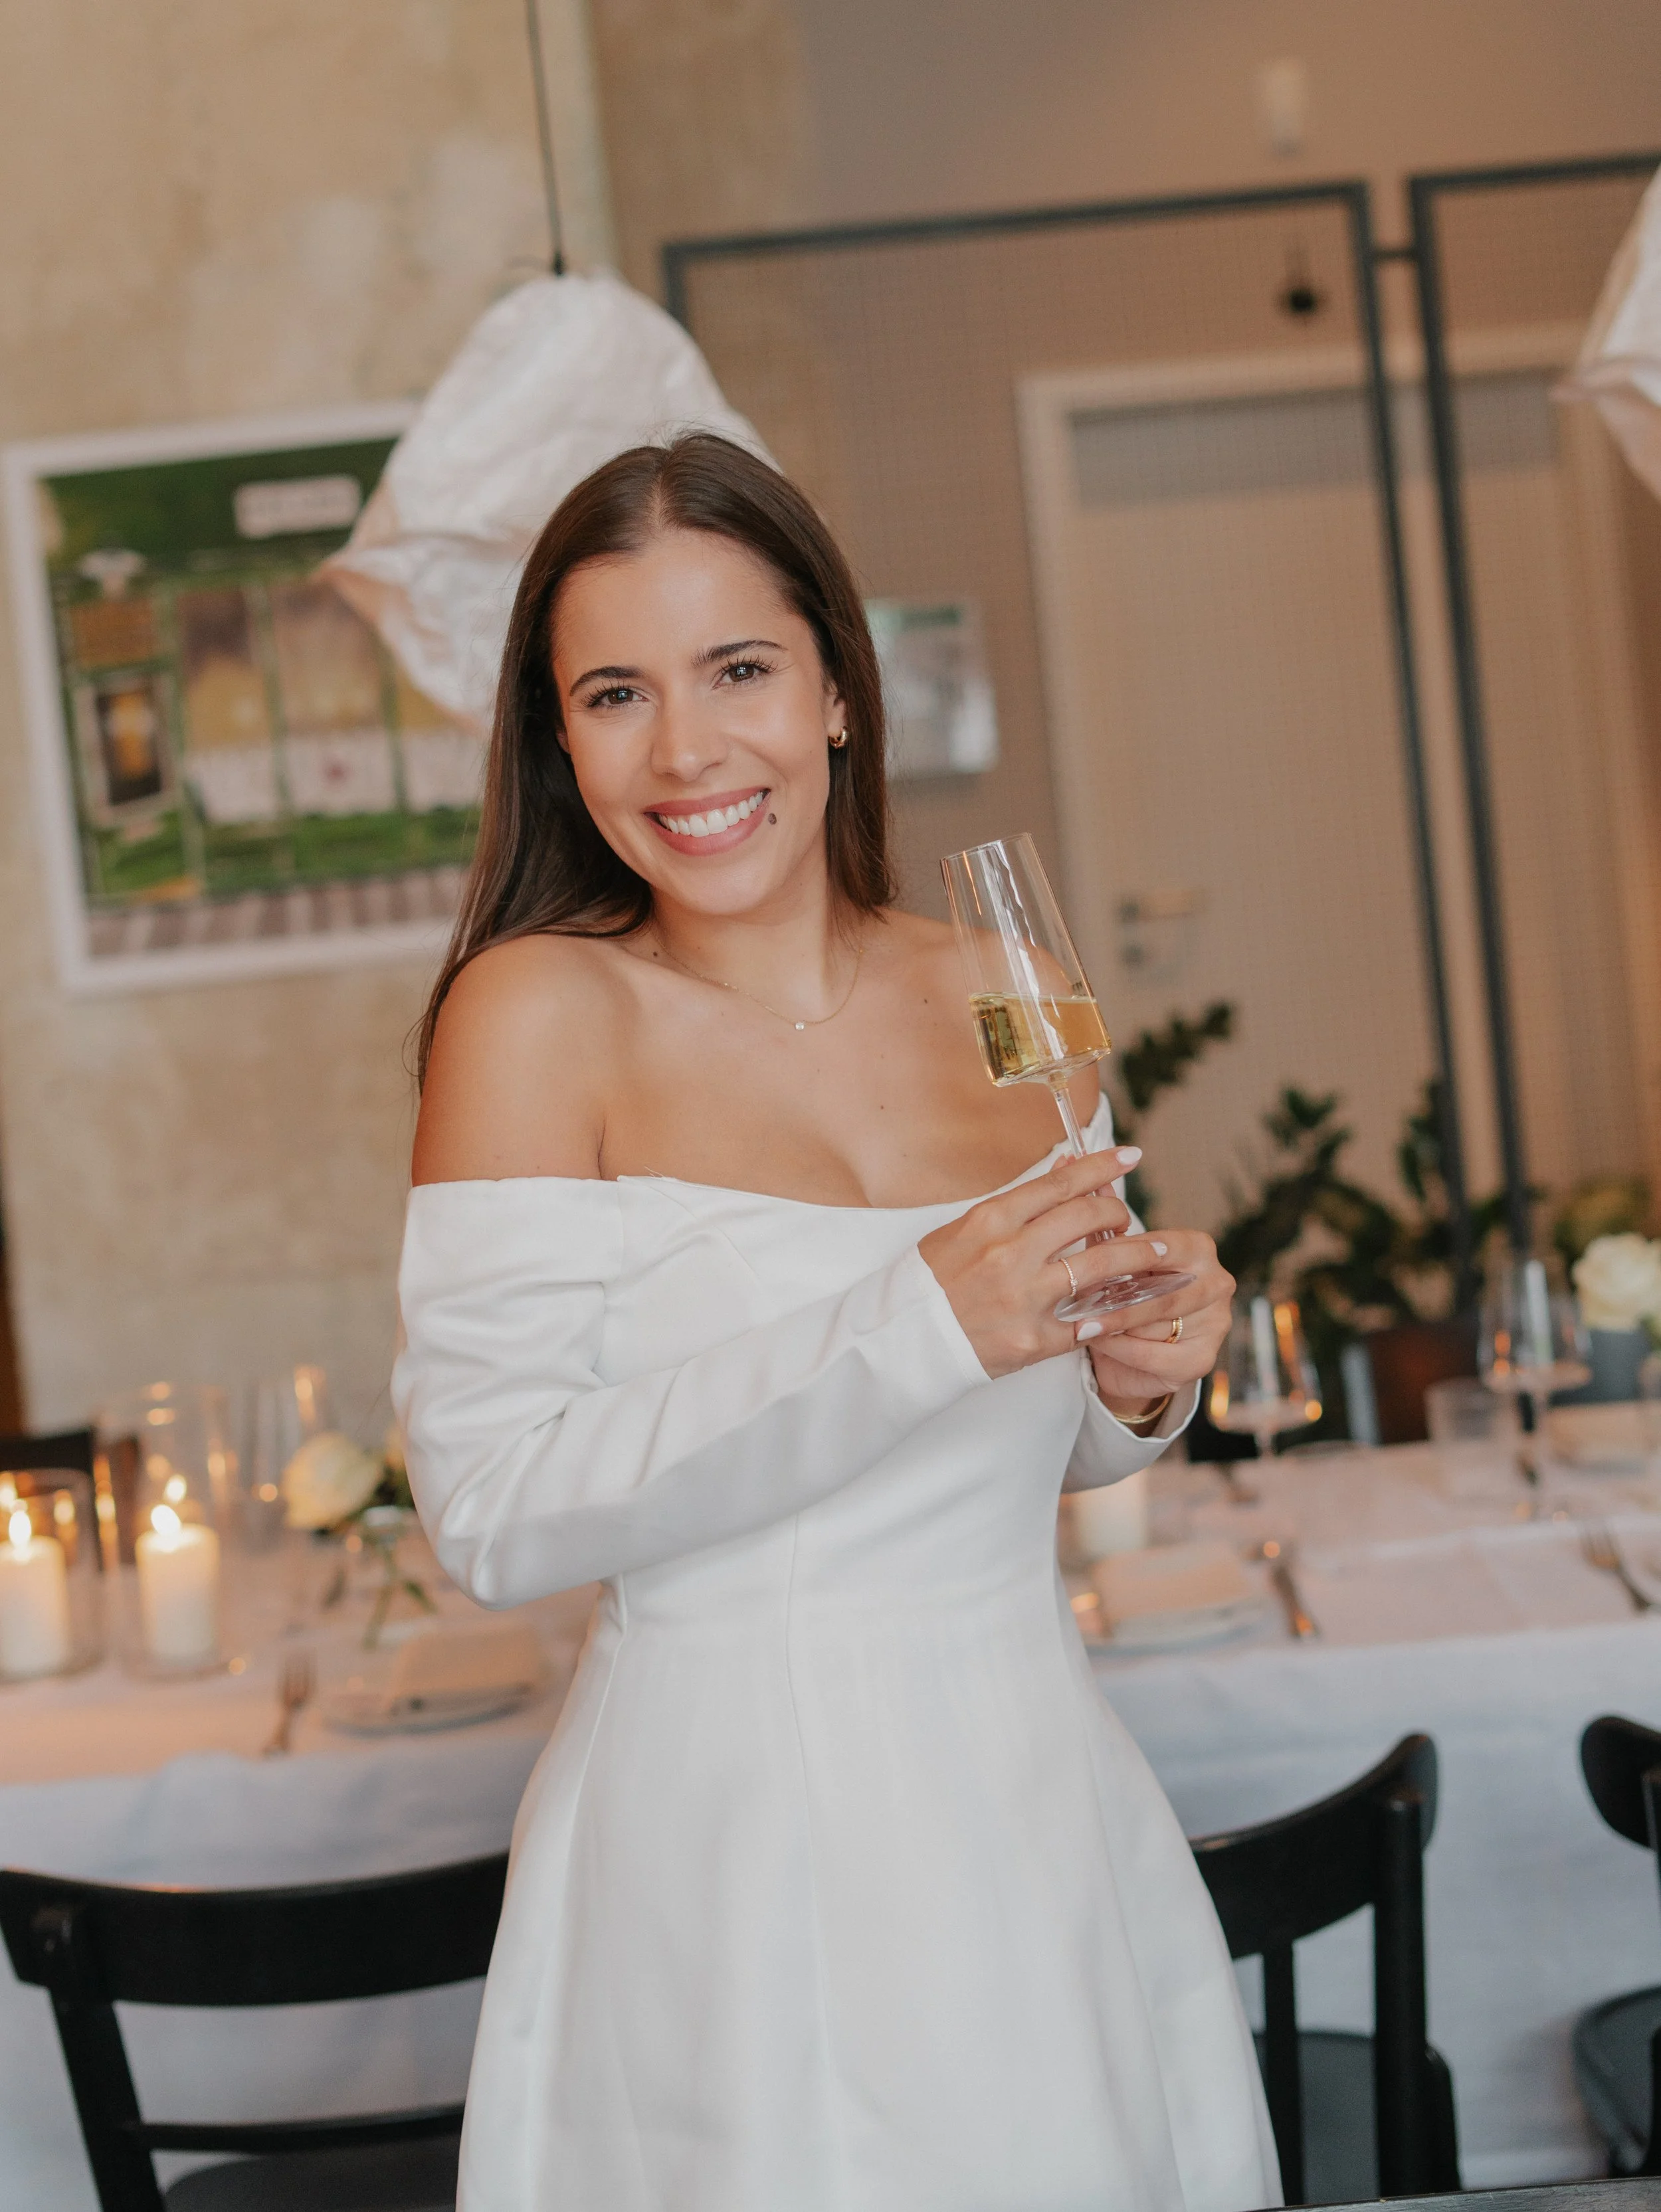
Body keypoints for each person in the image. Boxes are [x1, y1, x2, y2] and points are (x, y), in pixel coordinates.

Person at [394, 432, 1278, 2212]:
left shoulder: (1012, 989)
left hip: (1036, 1812)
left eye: (738, 670)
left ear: (839, 694)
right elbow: (490, 1511)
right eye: (617, 695)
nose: (687, 751)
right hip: (728, 1848)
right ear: (560, 742)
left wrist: (1139, 1381)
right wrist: (916, 1322)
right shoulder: (536, 1014)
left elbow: (1046, 1425)